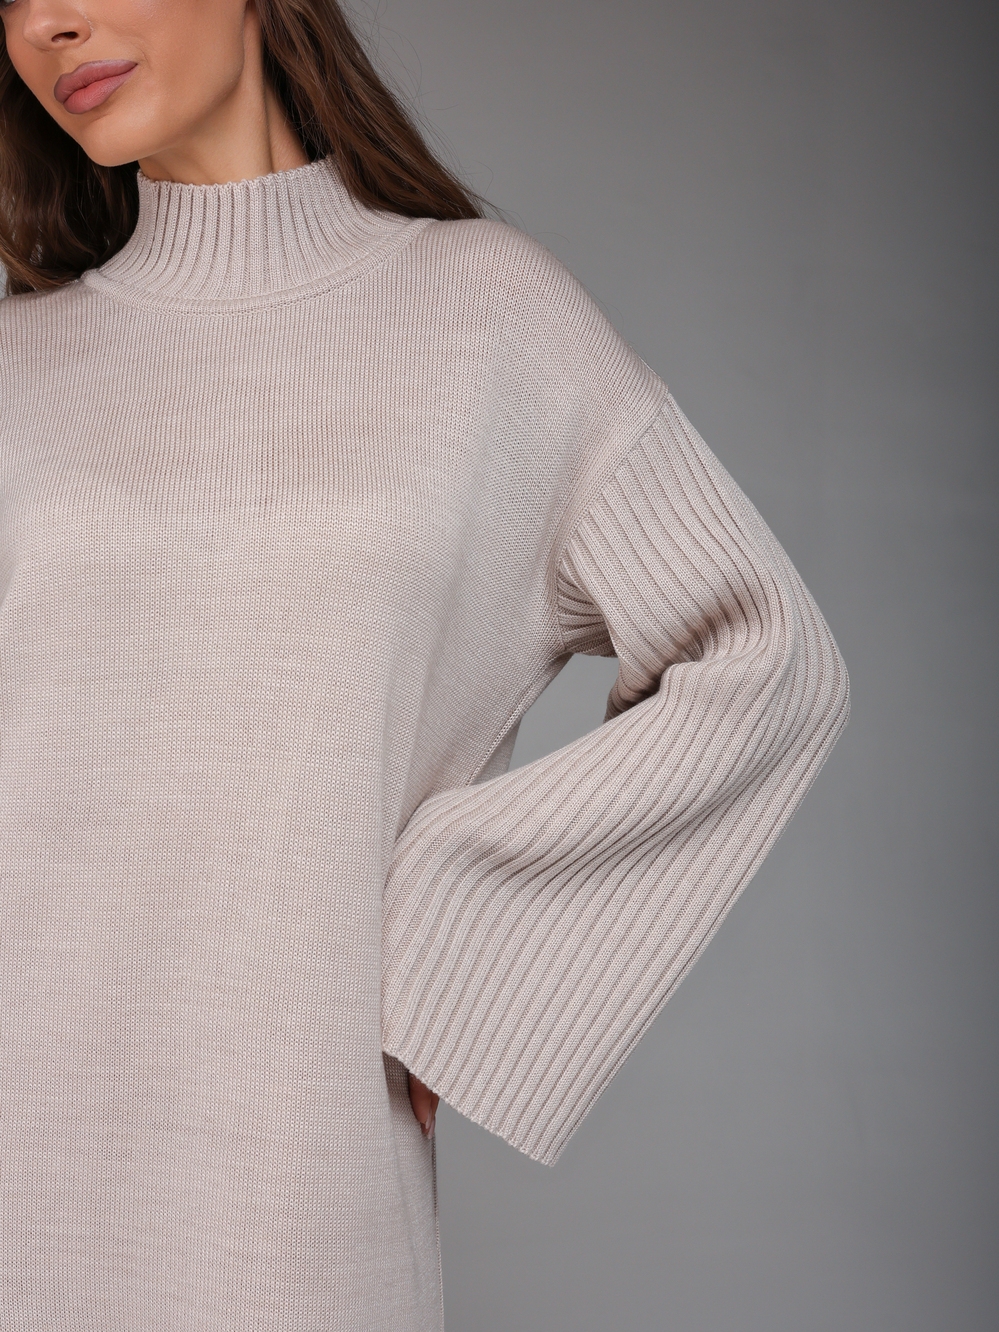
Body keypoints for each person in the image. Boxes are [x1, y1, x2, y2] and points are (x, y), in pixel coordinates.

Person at [0, 1, 850, 1328]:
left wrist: (470, 941)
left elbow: (765, 658)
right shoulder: (21, 366)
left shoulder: (482, 315)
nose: (48, 21)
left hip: (298, 1172)